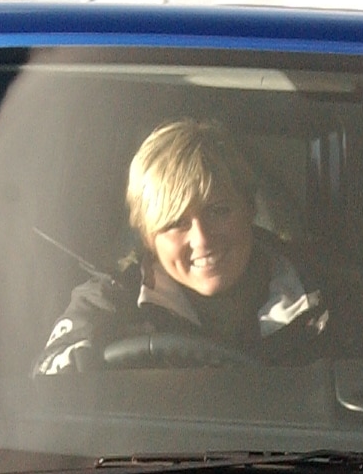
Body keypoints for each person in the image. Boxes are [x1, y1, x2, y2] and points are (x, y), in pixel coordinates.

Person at [36, 118, 334, 374]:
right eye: (176, 222)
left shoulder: (324, 297)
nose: (202, 238)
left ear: (249, 208)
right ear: (147, 237)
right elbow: (49, 384)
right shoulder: (109, 301)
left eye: (218, 211)